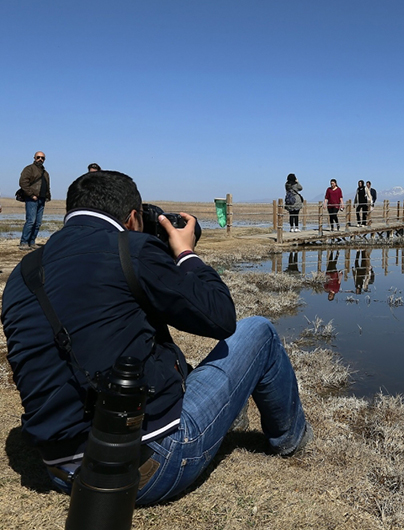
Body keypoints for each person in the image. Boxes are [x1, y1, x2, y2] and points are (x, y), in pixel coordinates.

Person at [1, 170, 311, 506]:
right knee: (259, 331)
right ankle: (291, 441)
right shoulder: (130, 249)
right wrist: (185, 252)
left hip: (60, 470)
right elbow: (220, 318)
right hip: (146, 465)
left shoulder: (24, 273)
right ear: (133, 217)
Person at [18, 151, 51, 250]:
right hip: (32, 199)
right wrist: (31, 195)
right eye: (38, 157)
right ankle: (24, 242)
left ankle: (32, 242)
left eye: (42, 158)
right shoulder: (29, 169)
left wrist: (47, 196)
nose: (40, 159)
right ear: (34, 158)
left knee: (38, 222)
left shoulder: (45, 173)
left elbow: (47, 186)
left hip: (42, 199)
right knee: (31, 221)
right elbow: (23, 183)